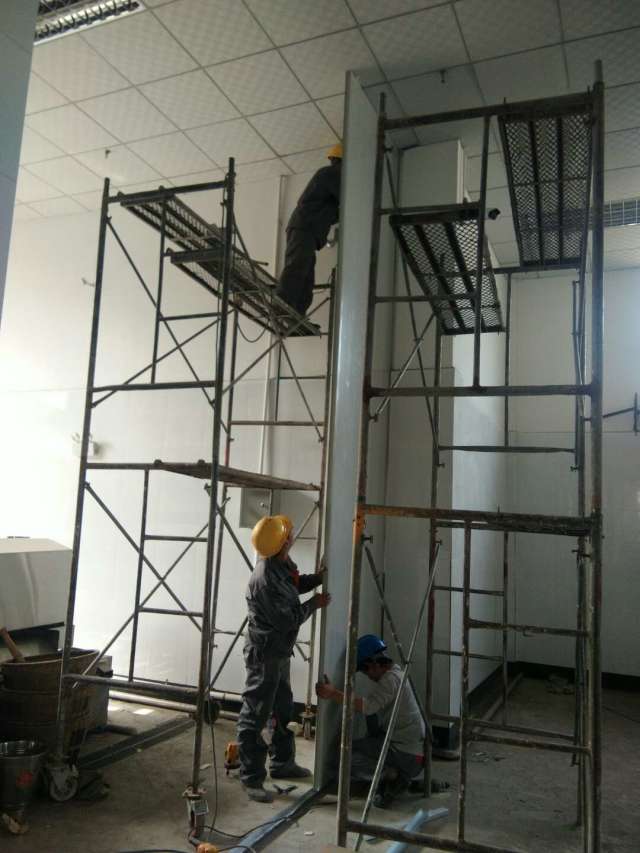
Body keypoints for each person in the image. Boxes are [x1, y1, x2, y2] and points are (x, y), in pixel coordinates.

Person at [237, 514, 331, 802]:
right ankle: (251, 778)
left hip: (278, 652)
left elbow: (294, 585)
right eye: (287, 534)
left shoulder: (280, 564)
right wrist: (314, 604)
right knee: (256, 714)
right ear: (281, 543)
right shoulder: (264, 578)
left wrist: (317, 579)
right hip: (265, 655)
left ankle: (282, 762)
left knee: (282, 708)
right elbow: (286, 619)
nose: (291, 536)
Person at [315, 634, 425, 808]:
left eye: (365, 671)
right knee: (368, 728)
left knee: (344, 755)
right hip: (411, 752)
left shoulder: (390, 680)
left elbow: (368, 707)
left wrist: (333, 694)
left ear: (373, 664)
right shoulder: (397, 673)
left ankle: (394, 776)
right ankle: (397, 775)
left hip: (407, 756)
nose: (368, 676)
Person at [276, 143, 342, 330]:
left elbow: (333, 210)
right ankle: (281, 305)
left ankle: (297, 315)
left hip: (309, 231)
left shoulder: (330, 177)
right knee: (297, 266)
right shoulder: (332, 173)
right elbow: (346, 198)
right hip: (304, 227)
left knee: (306, 277)